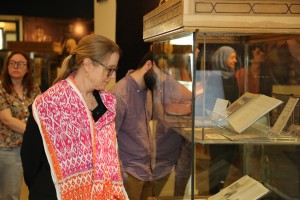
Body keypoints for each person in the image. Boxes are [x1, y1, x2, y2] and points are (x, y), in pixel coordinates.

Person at [20, 34, 128, 200]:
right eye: (109, 69)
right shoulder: (50, 105)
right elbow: (30, 160)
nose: (113, 76)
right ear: (87, 64)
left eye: (115, 70)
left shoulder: (106, 104)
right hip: (52, 193)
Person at [110, 51, 155, 200]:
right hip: (129, 175)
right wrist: (122, 176)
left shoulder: (147, 92)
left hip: (147, 172)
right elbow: (109, 140)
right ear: (149, 65)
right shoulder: (120, 93)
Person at [0, 51, 41, 200]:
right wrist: (33, 131)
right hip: (9, 149)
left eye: (21, 63)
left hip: (31, 148)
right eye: (12, 63)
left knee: (31, 189)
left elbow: (41, 114)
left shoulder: (34, 89)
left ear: (28, 68)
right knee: (10, 195)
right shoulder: (1, 89)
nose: (16, 66)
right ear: (7, 66)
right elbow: (7, 120)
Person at [206, 46, 240, 194]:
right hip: (217, 126)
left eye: (235, 57)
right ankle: (214, 192)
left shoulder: (232, 76)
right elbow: (210, 101)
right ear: (222, 58)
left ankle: (220, 190)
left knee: (227, 160)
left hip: (230, 125)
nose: (235, 60)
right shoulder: (215, 77)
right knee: (217, 160)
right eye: (231, 57)